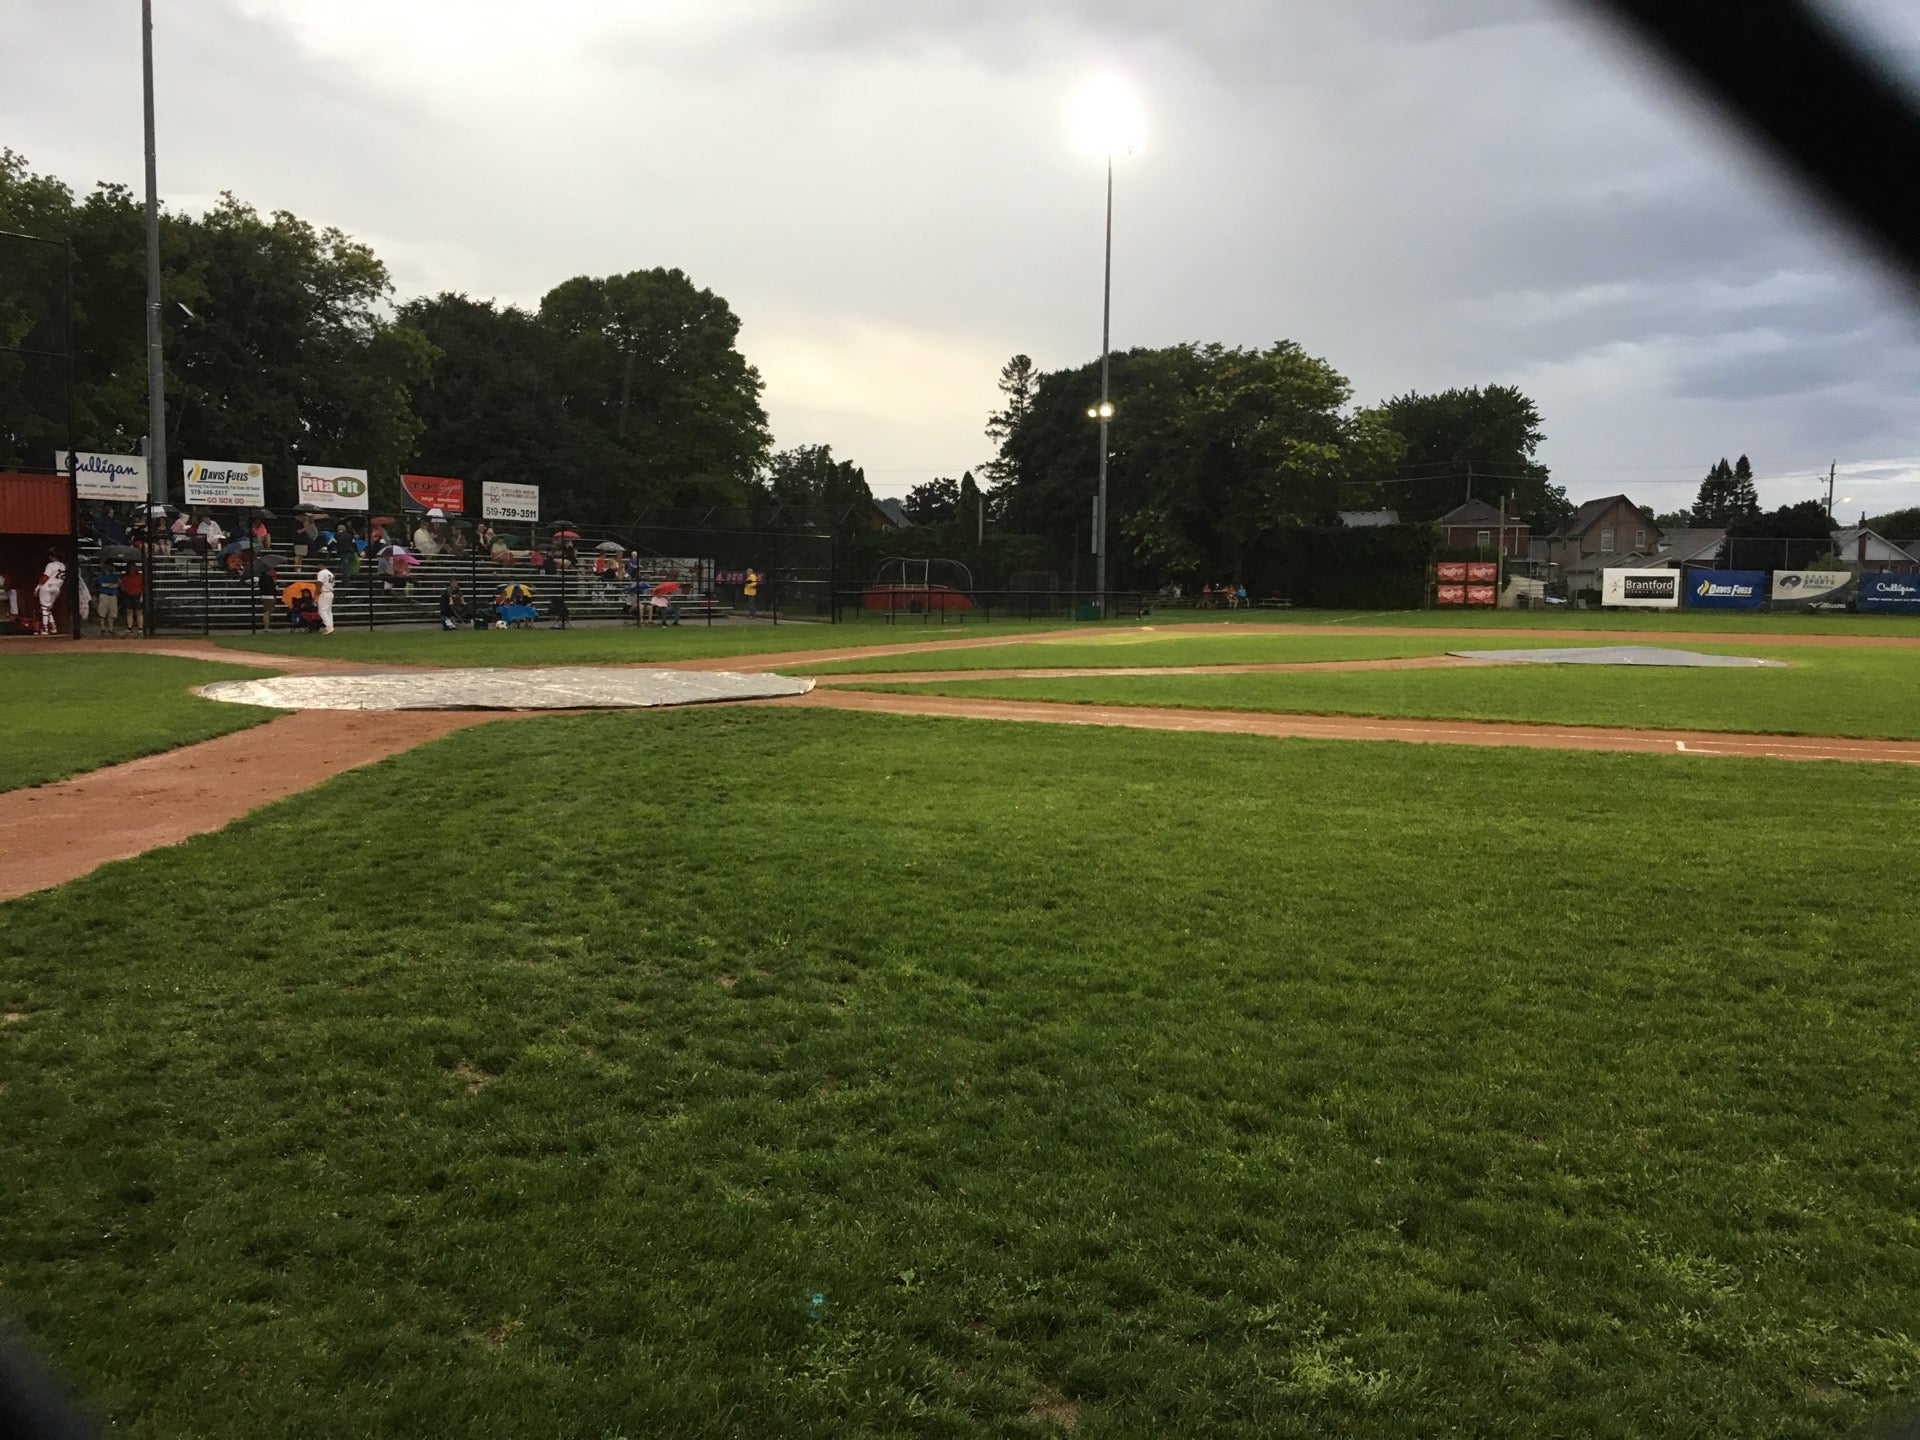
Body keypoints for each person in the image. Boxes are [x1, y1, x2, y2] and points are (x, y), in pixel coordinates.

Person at [34, 550, 65, 635]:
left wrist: (37, 587)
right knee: (48, 608)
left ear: (52, 557)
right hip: (57, 588)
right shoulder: (63, 565)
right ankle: (53, 627)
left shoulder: (51, 565)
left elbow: (45, 577)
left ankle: (45, 628)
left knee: (44, 608)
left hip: (47, 586)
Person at [93, 562, 120, 637]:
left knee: (112, 612)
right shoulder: (101, 575)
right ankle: (102, 628)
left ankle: (111, 629)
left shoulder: (114, 576)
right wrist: (111, 585)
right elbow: (102, 584)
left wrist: (109, 585)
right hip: (104, 594)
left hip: (113, 595)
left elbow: (117, 585)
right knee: (102, 611)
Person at [119, 563, 144, 635]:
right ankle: (129, 627)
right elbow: (122, 587)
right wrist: (121, 584)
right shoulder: (124, 576)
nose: (131, 568)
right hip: (128, 594)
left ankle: (140, 628)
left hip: (137, 594)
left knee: (138, 612)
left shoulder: (139, 576)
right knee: (129, 612)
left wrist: (141, 596)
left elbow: (142, 587)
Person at [315, 565, 336, 634]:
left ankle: (329, 627)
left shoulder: (321, 573)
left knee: (322, 610)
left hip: (325, 592)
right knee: (328, 611)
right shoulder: (330, 573)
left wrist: (316, 594)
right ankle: (330, 626)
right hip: (330, 592)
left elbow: (319, 583)